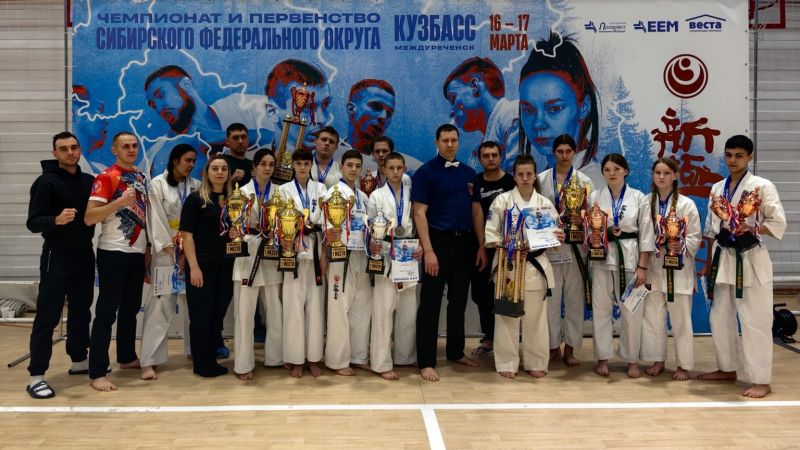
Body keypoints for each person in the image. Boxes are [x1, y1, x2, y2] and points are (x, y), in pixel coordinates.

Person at [697, 135, 786, 398]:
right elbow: (711, 230)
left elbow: (778, 222)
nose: (732, 160)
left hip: (750, 258)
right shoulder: (717, 188)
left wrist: (753, 227)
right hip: (723, 258)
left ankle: (761, 380)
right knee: (719, 317)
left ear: (750, 157)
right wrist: (708, 263)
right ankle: (727, 368)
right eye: (728, 155)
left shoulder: (762, 186)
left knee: (754, 320)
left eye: (738, 155)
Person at [411, 124, 488, 382]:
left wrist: (481, 245)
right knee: (430, 303)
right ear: (437, 142)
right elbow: (419, 213)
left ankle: (456, 351)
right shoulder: (425, 173)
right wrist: (429, 251)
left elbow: (476, 212)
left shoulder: (468, 173)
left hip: (465, 244)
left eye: (454, 140)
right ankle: (426, 360)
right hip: (437, 243)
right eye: (445, 140)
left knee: (459, 301)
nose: (450, 144)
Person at [25, 132, 96, 399]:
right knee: (48, 314)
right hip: (57, 255)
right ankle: (36, 376)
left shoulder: (88, 181)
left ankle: (79, 360)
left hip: (84, 254)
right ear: (54, 153)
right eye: (63, 149)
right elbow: (33, 222)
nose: (70, 152)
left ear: (80, 150)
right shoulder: (45, 182)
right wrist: (55, 220)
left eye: (74, 147)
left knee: (81, 311)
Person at [485, 154, 564, 378]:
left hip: (535, 265)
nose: (525, 177)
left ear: (535, 175)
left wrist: (559, 237)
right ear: (514, 176)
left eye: (529, 173)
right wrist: (508, 246)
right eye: (521, 174)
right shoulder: (502, 201)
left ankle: (536, 362)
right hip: (508, 265)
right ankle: (506, 362)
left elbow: (555, 237)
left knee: (536, 319)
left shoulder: (544, 204)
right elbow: (490, 234)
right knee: (506, 317)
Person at [84, 131, 150, 392]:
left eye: (134, 145)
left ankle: (126, 356)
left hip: (137, 252)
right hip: (113, 252)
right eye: (125, 146)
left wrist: (148, 248)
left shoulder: (141, 177)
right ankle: (97, 372)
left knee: (130, 309)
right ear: (114, 150)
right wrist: (120, 202)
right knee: (106, 313)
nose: (131, 150)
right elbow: (90, 217)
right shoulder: (105, 177)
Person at [588, 153, 653, 378]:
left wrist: (643, 267)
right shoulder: (594, 197)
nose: (612, 173)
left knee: (632, 311)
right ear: (602, 173)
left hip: (630, 259)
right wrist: (591, 238)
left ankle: (631, 359)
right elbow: (589, 229)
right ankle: (602, 358)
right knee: (601, 309)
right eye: (607, 169)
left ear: (626, 171)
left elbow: (646, 234)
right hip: (601, 259)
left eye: (617, 169)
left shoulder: (639, 198)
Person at [143, 65, 274, 177]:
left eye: (161, 95)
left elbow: (282, 136)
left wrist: (221, 137)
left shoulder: (244, 106)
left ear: (186, 84)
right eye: (153, 105)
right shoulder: (162, 154)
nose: (159, 108)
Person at [139, 144, 200, 381]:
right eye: (187, 160)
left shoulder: (196, 186)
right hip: (167, 254)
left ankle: (195, 350)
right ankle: (149, 360)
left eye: (194, 160)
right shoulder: (157, 184)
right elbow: (155, 219)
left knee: (194, 304)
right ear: (175, 161)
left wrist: (188, 252)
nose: (191, 165)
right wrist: (173, 250)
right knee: (160, 306)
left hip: (191, 252)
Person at [536, 134, 595, 367]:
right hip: (551, 247)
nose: (563, 156)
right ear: (554, 152)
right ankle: (552, 347)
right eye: (559, 151)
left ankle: (570, 348)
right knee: (551, 300)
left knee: (574, 300)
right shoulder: (541, 180)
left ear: (574, 152)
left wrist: (583, 221)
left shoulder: (584, 181)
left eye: (568, 151)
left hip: (576, 249)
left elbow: (593, 215)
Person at [640, 157, 700, 381]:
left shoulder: (687, 204)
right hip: (654, 266)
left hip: (679, 268)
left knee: (681, 320)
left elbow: (695, 236)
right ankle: (658, 360)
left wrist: (681, 244)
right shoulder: (646, 202)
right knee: (653, 318)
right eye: (658, 173)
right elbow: (641, 236)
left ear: (675, 175)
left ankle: (683, 365)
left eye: (666, 173)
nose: (662, 177)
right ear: (653, 175)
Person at [518, 33, 600, 185]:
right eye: (529, 110)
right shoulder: (545, 177)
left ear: (584, 107)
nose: (538, 123)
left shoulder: (590, 184)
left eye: (554, 109)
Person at [230, 148, 284, 380]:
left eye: (271, 164)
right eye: (263, 164)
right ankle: (243, 364)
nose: (267, 168)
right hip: (248, 252)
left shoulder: (281, 193)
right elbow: (234, 224)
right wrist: (236, 233)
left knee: (275, 310)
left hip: (271, 254)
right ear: (254, 166)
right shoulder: (241, 192)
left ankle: (276, 357)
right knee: (244, 314)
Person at [179, 154, 234, 377]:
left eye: (224, 169)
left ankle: (211, 357)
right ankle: (201, 363)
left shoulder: (233, 201)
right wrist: (194, 267)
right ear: (207, 173)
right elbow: (187, 235)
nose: (220, 172)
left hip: (226, 266)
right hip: (202, 265)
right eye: (215, 168)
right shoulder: (195, 199)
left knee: (217, 314)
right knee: (201, 315)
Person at [368, 152, 421, 380]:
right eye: (391, 168)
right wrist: (373, 244)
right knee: (383, 308)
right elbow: (371, 226)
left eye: (400, 168)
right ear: (384, 170)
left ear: (405, 168)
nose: (396, 172)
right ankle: (381, 362)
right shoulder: (376, 196)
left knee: (408, 308)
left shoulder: (413, 194)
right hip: (386, 251)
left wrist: (421, 245)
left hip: (408, 250)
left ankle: (405, 356)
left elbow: (419, 221)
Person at [322, 150, 373, 376]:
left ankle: (358, 356)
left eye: (357, 166)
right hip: (340, 255)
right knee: (339, 307)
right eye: (349, 165)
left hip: (361, 254)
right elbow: (326, 227)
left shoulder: (363, 196)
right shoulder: (332, 193)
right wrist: (328, 243)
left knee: (362, 306)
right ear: (341, 167)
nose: (353, 169)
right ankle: (337, 360)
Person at [279, 150, 327, 378]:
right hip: (293, 252)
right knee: (293, 307)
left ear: (311, 165)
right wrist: (284, 240)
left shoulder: (321, 189)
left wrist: (325, 255)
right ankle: (296, 359)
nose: (302, 167)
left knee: (315, 308)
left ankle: (313, 359)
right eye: (298, 163)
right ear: (292, 165)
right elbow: (278, 221)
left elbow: (327, 224)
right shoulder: (283, 190)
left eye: (306, 163)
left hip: (316, 250)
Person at [470, 141, 515, 358]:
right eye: (486, 155)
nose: (490, 159)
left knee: (505, 294)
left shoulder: (511, 182)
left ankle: (506, 341)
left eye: (494, 155)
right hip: (480, 247)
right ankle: (489, 338)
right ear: (480, 159)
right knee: (481, 294)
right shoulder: (474, 182)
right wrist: (481, 246)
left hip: (507, 247)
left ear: (500, 156)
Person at [443, 57, 519, 171]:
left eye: (453, 99)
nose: (451, 113)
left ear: (474, 86)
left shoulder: (513, 116)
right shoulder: (477, 154)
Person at [264, 59, 334, 151]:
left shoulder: (345, 158)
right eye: (305, 107)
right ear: (272, 111)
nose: (322, 119)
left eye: (325, 104)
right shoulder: (255, 158)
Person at [345, 79, 395, 155]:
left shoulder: (394, 161)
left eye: (389, 113)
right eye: (376, 107)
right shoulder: (333, 153)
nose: (383, 117)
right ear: (351, 109)